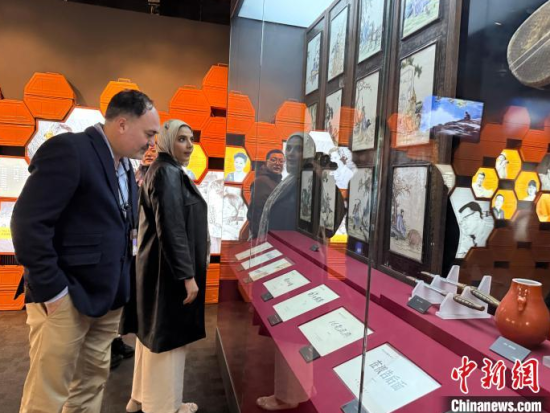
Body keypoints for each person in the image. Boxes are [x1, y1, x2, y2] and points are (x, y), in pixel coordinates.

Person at [11, 90, 159, 413]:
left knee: (91, 385)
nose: (152, 143)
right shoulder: (70, 150)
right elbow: (28, 223)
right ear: (122, 124)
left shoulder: (126, 168)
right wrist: (53, 292)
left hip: (107, 301)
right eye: (149, 133)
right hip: (66, 298)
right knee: (47, 395)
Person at [126, 119, 208, 413]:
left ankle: (140, 396)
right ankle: (164, 406)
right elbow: (172, 228)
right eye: (182, 139)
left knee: (151, 335)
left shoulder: (161, 169)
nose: (189, 146)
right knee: (168, 341)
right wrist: (187, 275)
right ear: (166, 140)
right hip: (169, 273)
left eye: (191, 139)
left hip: (158, 268)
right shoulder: (167, 172)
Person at [247, 149, 285, 238]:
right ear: (266, 162)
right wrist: (260, 235)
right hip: (264, 234)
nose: (277, 163)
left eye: (281, 161)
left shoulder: (279, 182)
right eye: (273, 160)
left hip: (273, 232)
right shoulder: (261, 181)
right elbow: (256, 211)